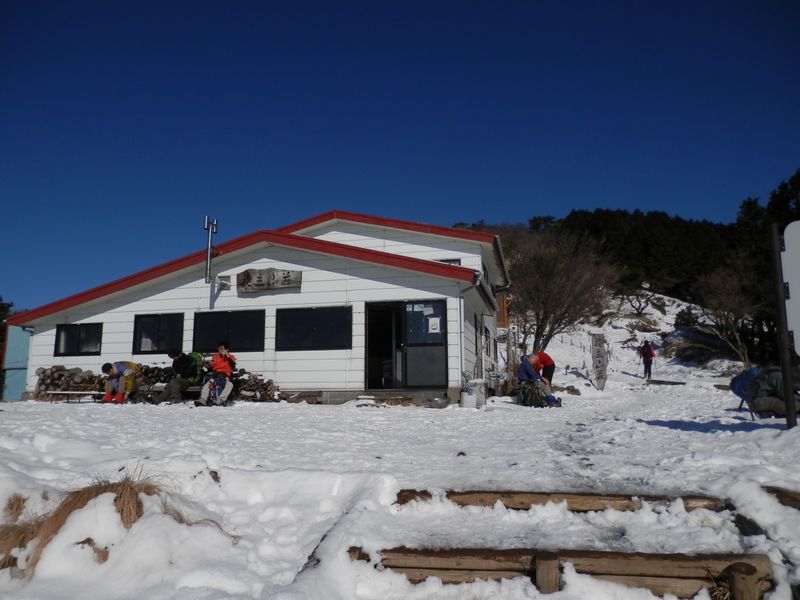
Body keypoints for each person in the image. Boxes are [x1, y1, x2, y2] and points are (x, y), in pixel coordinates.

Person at [730, 365, 800, 417]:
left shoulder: (783, 373)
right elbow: (789, 397)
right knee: (795, 405)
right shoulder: (780, 378)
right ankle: (764, 412)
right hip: (754, 399)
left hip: (746, 390)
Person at [196, 341, 237, 407]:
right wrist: (209, 364)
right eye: (219, 349)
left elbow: (232, 365)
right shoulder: (215, 356)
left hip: (225, 376)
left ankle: (220, 400)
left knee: (230, 385)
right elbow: (212, 365)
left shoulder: (231, 357)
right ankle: (203, 400)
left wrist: (227, 355)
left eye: (222, 349)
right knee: (207, 385)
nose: (220, 350)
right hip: (216, 375)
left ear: (227, 349)